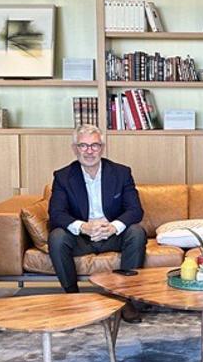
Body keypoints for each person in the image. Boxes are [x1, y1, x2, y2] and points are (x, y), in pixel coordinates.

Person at [48, 124, 147, 323]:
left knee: (137, 232)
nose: (89, 151)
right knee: (57, 237)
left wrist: (112, 227)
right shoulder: (63, 176)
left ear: (102, 147)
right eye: (83, 146)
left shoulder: (121, 173)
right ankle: (73, 298)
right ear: (75, 148)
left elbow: (135, 210)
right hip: (81, 237)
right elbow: (56, 213)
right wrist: (83, 226)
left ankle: (124, 300)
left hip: (112, 236)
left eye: (94, 146)